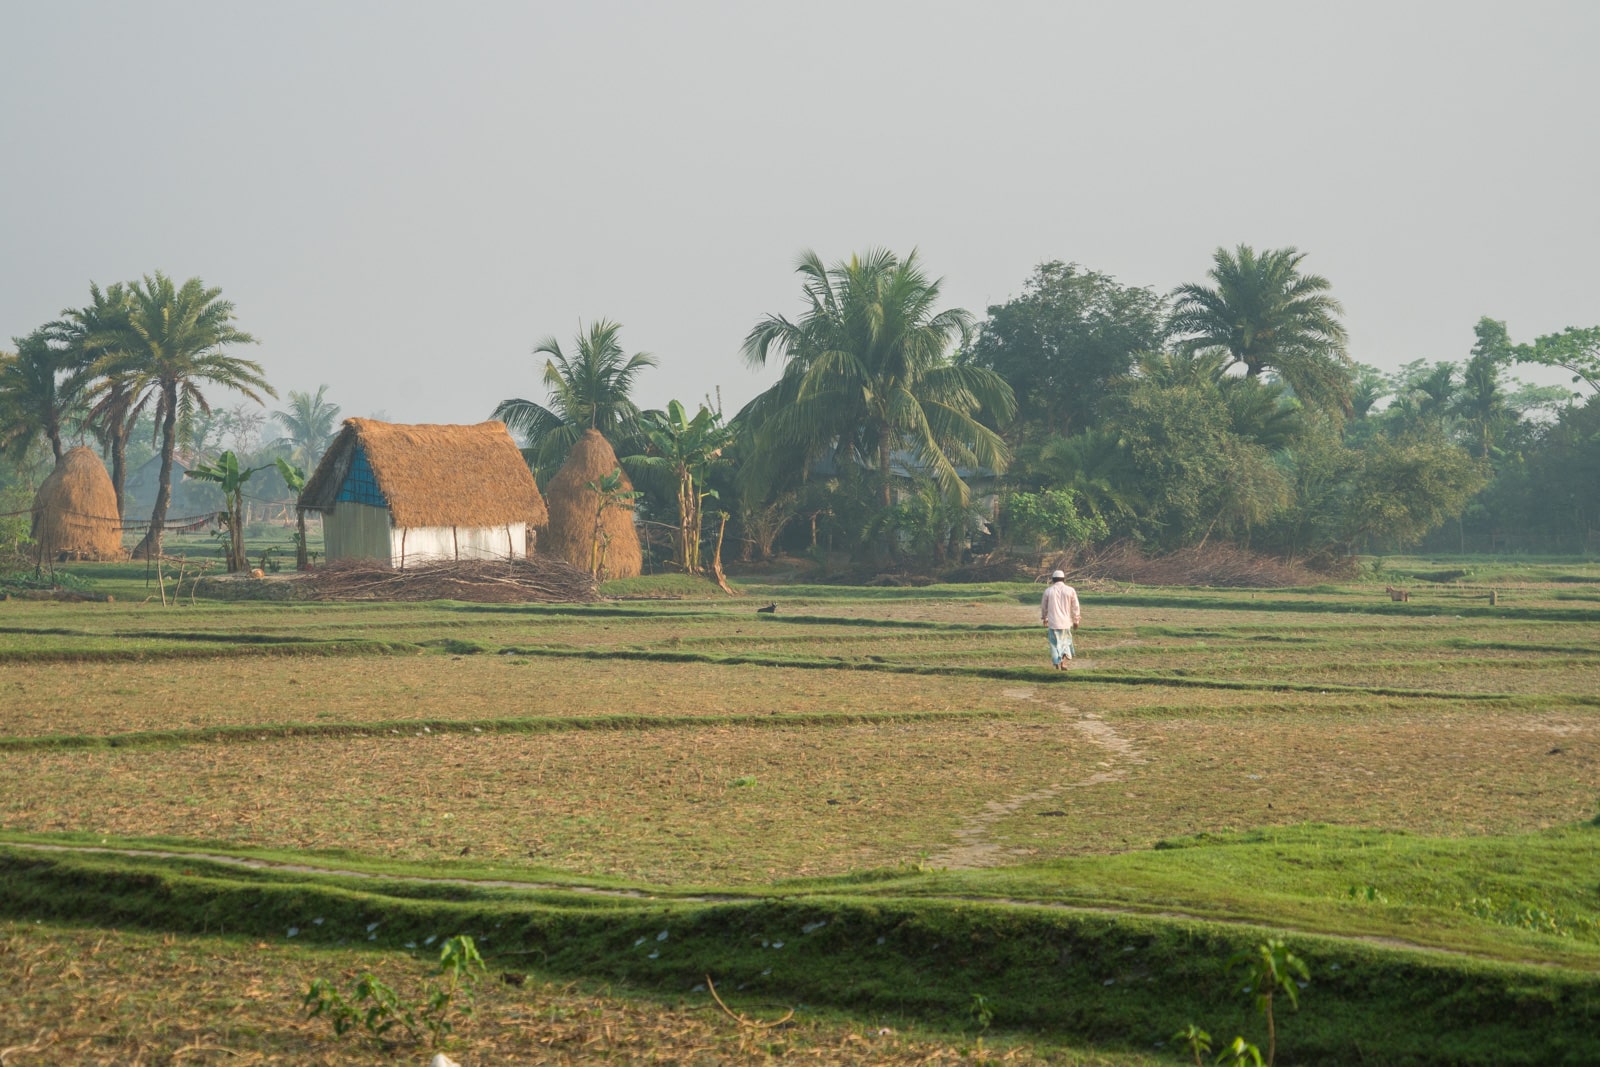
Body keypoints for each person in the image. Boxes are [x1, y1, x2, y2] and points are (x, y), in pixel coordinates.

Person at [1040, 569, 1080, 670]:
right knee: (1065, 643)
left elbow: (1044, 606)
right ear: (1063, 579)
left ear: (1053, 580)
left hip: (1053, 623)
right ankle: (1063, 663)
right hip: (1065, 623)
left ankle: (1057, 664)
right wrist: (1076, 620)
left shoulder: (1048, 591)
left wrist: (1045, 618)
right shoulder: (1070, 590)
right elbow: (1076, 606)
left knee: (1054, 645)